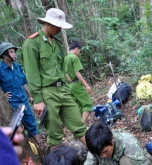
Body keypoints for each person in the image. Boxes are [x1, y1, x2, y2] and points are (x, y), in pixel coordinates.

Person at [22, 8, 87, 148]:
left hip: (63, 90)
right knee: (55, 135)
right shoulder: (32, 43)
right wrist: (38, 99)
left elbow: (62, 69)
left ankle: (101, 157)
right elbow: (31, 73)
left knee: (79, 126)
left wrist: (66, 88)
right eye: (58, 26)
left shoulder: (57, 44)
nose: (59, 29)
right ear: (48, 23)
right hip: (47, 93)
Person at [80, 122, 152, 165]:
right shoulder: (95, 150)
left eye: (106, 151)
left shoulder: (129, 143)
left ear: (112, 140)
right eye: (99, 154)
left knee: (125, 161)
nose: (103, 156)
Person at [0, 42, 40, 143]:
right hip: (12, 102)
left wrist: (30, 95)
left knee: (31, 124)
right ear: (4, 54)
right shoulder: (0, 69)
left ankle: (39, 146)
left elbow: (24, 83)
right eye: (11, 52)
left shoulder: (17, 67)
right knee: (15, 128)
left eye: (14, 52)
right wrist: (2, 96)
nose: (14, 54)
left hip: (24, 100)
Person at [63, 42, 93, 123]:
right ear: (76, 49)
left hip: (69, 86)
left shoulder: (65, 58)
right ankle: (82, 125)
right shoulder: (74, 58)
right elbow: (77, 72)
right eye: (79, 50)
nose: (79, 53)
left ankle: (76, 125)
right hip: (76, 84)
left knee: (78, 106)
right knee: (88, 104)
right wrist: (86, 85)